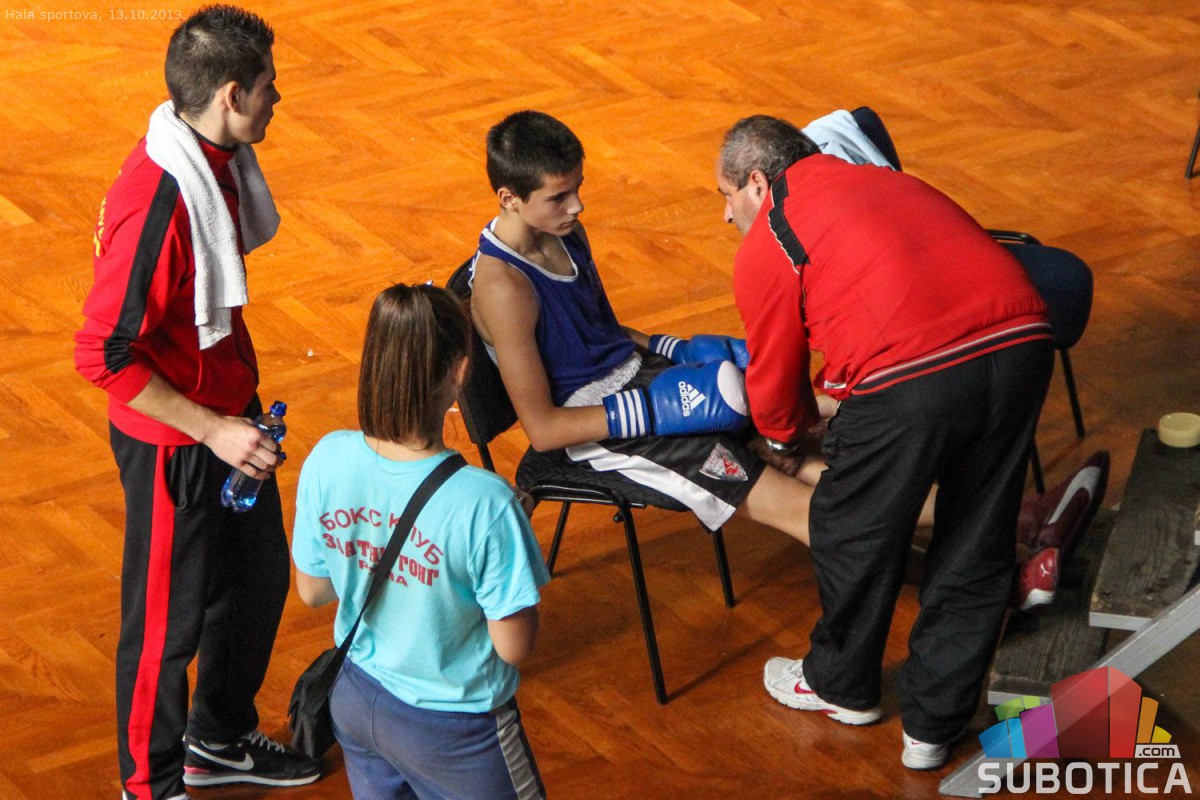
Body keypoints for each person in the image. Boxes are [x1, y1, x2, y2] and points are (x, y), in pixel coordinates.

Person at [716, 115, 1056, 770]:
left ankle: (840, 685)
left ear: (756, 182)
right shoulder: (888, 180)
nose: (727, 216)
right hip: (1024, 342)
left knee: (851, 524)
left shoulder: (772, 234)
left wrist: (784, 436)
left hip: (913, 379)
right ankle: (933, 727)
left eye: (727, 198)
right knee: (977, 537)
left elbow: (775, 380)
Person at [73, 6, 320, 798]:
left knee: (256, 588)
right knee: (165, 629)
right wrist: (214, 430)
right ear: (231, 95)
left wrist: (232, 423)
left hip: (229, 424)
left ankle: (217, 739)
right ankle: (148, 784)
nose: (277, 99)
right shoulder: (161, 200)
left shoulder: (215, 158)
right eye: (269, 87)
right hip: (176, 445)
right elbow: (102, 353)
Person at [470, 110, 833, 544]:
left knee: (788, 440)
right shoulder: (503, 288)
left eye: (578, 188)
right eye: (559, 197)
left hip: (641, 379)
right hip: (598, 430)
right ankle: (872, 538)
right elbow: (544, 430)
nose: (577, 206)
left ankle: (889, 512)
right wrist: (657, 410)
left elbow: (602, 333)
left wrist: (677, 350)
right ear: (509, 198)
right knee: (801, 508)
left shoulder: (567, 232)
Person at [292, 284, 550, 800]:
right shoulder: (487, 503)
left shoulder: (327, 456)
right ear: (460, 373)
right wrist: (508, 547)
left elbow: (314, 591)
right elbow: (513, 646)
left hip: (356, 700)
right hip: (457, 734)